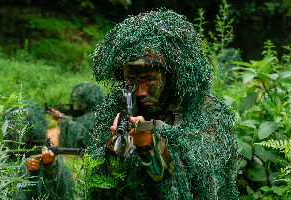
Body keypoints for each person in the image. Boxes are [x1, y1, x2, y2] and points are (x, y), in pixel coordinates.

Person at [87, 8, 239, 199]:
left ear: (172, 77)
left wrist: (150, 145)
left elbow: (200, 177)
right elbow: (100, 183)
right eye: (131, 81)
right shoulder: (121, 103)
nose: (140, 91)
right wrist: (116, 148)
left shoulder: (205, 109)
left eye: (149, 80)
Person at [1, 101, 75, 200]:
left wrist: (50, 165)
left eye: (30, 133)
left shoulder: (41, 145)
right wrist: (23, 167)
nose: (26, 139)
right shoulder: (1, 151)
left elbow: (62, 189)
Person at [52, 81, 104, 148]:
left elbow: (83, 134)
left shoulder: (95, 115)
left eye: (80, 102)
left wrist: (62, 119)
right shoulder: (96, 112)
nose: (78, 105)